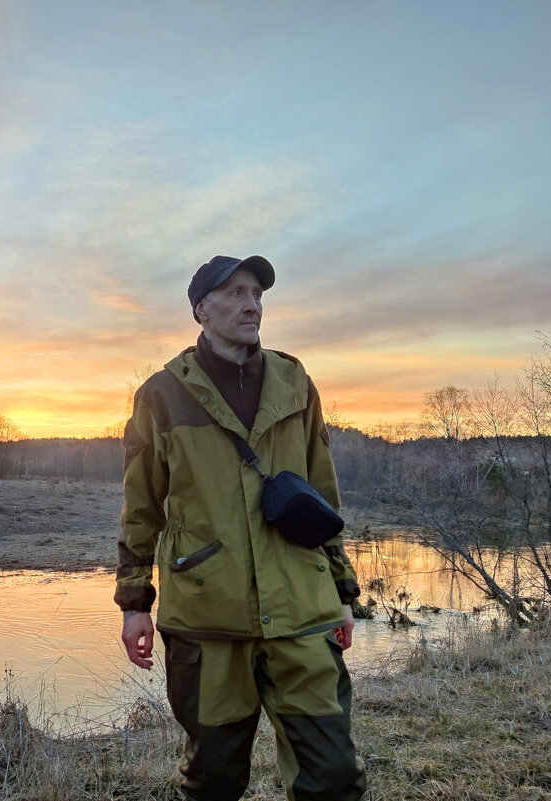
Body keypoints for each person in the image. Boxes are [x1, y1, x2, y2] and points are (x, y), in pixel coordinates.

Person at [115, 255, 367, 801]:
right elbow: (142, 507)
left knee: (333, 777)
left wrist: (343, 590)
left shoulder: (295, 381)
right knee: (214, 781)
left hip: (301, 608)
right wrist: (136, 603)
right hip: (207, 619)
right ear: (201, 309)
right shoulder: (161, 395)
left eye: (256, 293)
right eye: (234, 293)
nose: (251, 303)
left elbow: (322, 495)